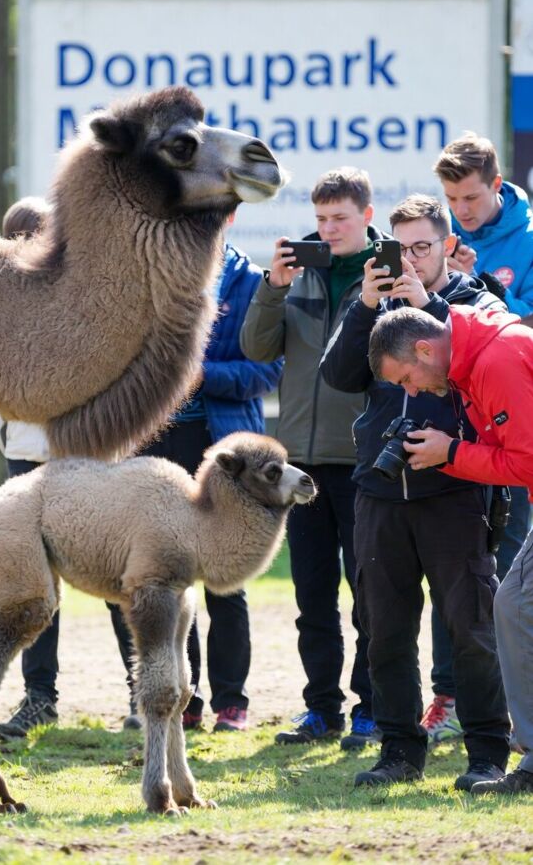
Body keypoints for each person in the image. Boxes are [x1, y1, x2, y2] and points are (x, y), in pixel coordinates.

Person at [320, 194, 510, 790]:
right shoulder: (373, 300)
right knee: (383, 627)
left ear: (448, 247)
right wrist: (365, 308)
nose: (409, 260)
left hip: (454, 489)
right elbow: (338, 377)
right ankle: (400, 751)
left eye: (422, 247)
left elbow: (484, 370)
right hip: (379, 491)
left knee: (471, 627)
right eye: (398, 248)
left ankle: (486, 753)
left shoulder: (475, 302)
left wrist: (426, 306)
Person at [367, 303, 533, 794]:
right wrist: (449, 452)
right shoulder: (477, 357)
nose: (411, 392)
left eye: (407, 379)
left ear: (424, 348)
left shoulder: (495, 359)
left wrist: (452, 453)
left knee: (515, 606)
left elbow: (525, 460)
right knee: (515, 606)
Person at [241, 167, 379, 749]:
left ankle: (373, 708)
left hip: (363, 461)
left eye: (339, 219)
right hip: (300, 465)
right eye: (320, 220)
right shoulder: (298, 277)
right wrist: (273, 285)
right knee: (311, 597)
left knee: (371, 595)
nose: (328, 229)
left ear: (366, 217)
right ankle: (321, 710)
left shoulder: (385, 275)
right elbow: (255, 347)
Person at [0, 197, 136, 741]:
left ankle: (140, 691)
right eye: (21, 238)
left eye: (42, 235)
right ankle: (39, 699)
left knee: (115, 575)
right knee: (33, 581)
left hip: (88, 458)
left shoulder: (93, 296)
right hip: (25, 455)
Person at [138, 236, 282, 732]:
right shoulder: (156, 275)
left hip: (224, 453)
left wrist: (204, 376)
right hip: (156, 444)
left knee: (224, 580)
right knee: (167, 577)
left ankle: (232, 702)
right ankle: (185, 696)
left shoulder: (252, 283)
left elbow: (267, 371)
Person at [427, 133, 533, 742]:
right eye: (451, 199)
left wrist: (490, 291)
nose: (461, 211)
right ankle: (452, 695)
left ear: (497, 186)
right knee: (461, 566)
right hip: (470, 429)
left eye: (469, 197)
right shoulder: (448, 240)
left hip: (516, 424)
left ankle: (499, 706)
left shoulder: (527, 240)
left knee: (510, 582)